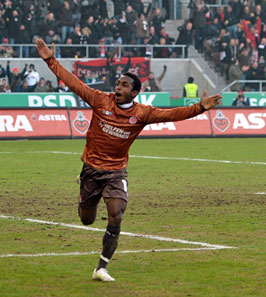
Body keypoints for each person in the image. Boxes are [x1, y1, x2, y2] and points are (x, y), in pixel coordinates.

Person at [35, 38, 222, 282]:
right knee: (86, 220)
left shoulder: (142, 113)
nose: (118, 87)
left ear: (134, 92)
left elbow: (172, 115)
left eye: (124, 85)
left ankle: (101, 267)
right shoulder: (100, 100)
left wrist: (199, 108)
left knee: (116, 214)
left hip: (115, 172)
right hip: (91, 169)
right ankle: (83, 194)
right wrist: (50, 60)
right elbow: (73, 83)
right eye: (117, 83)